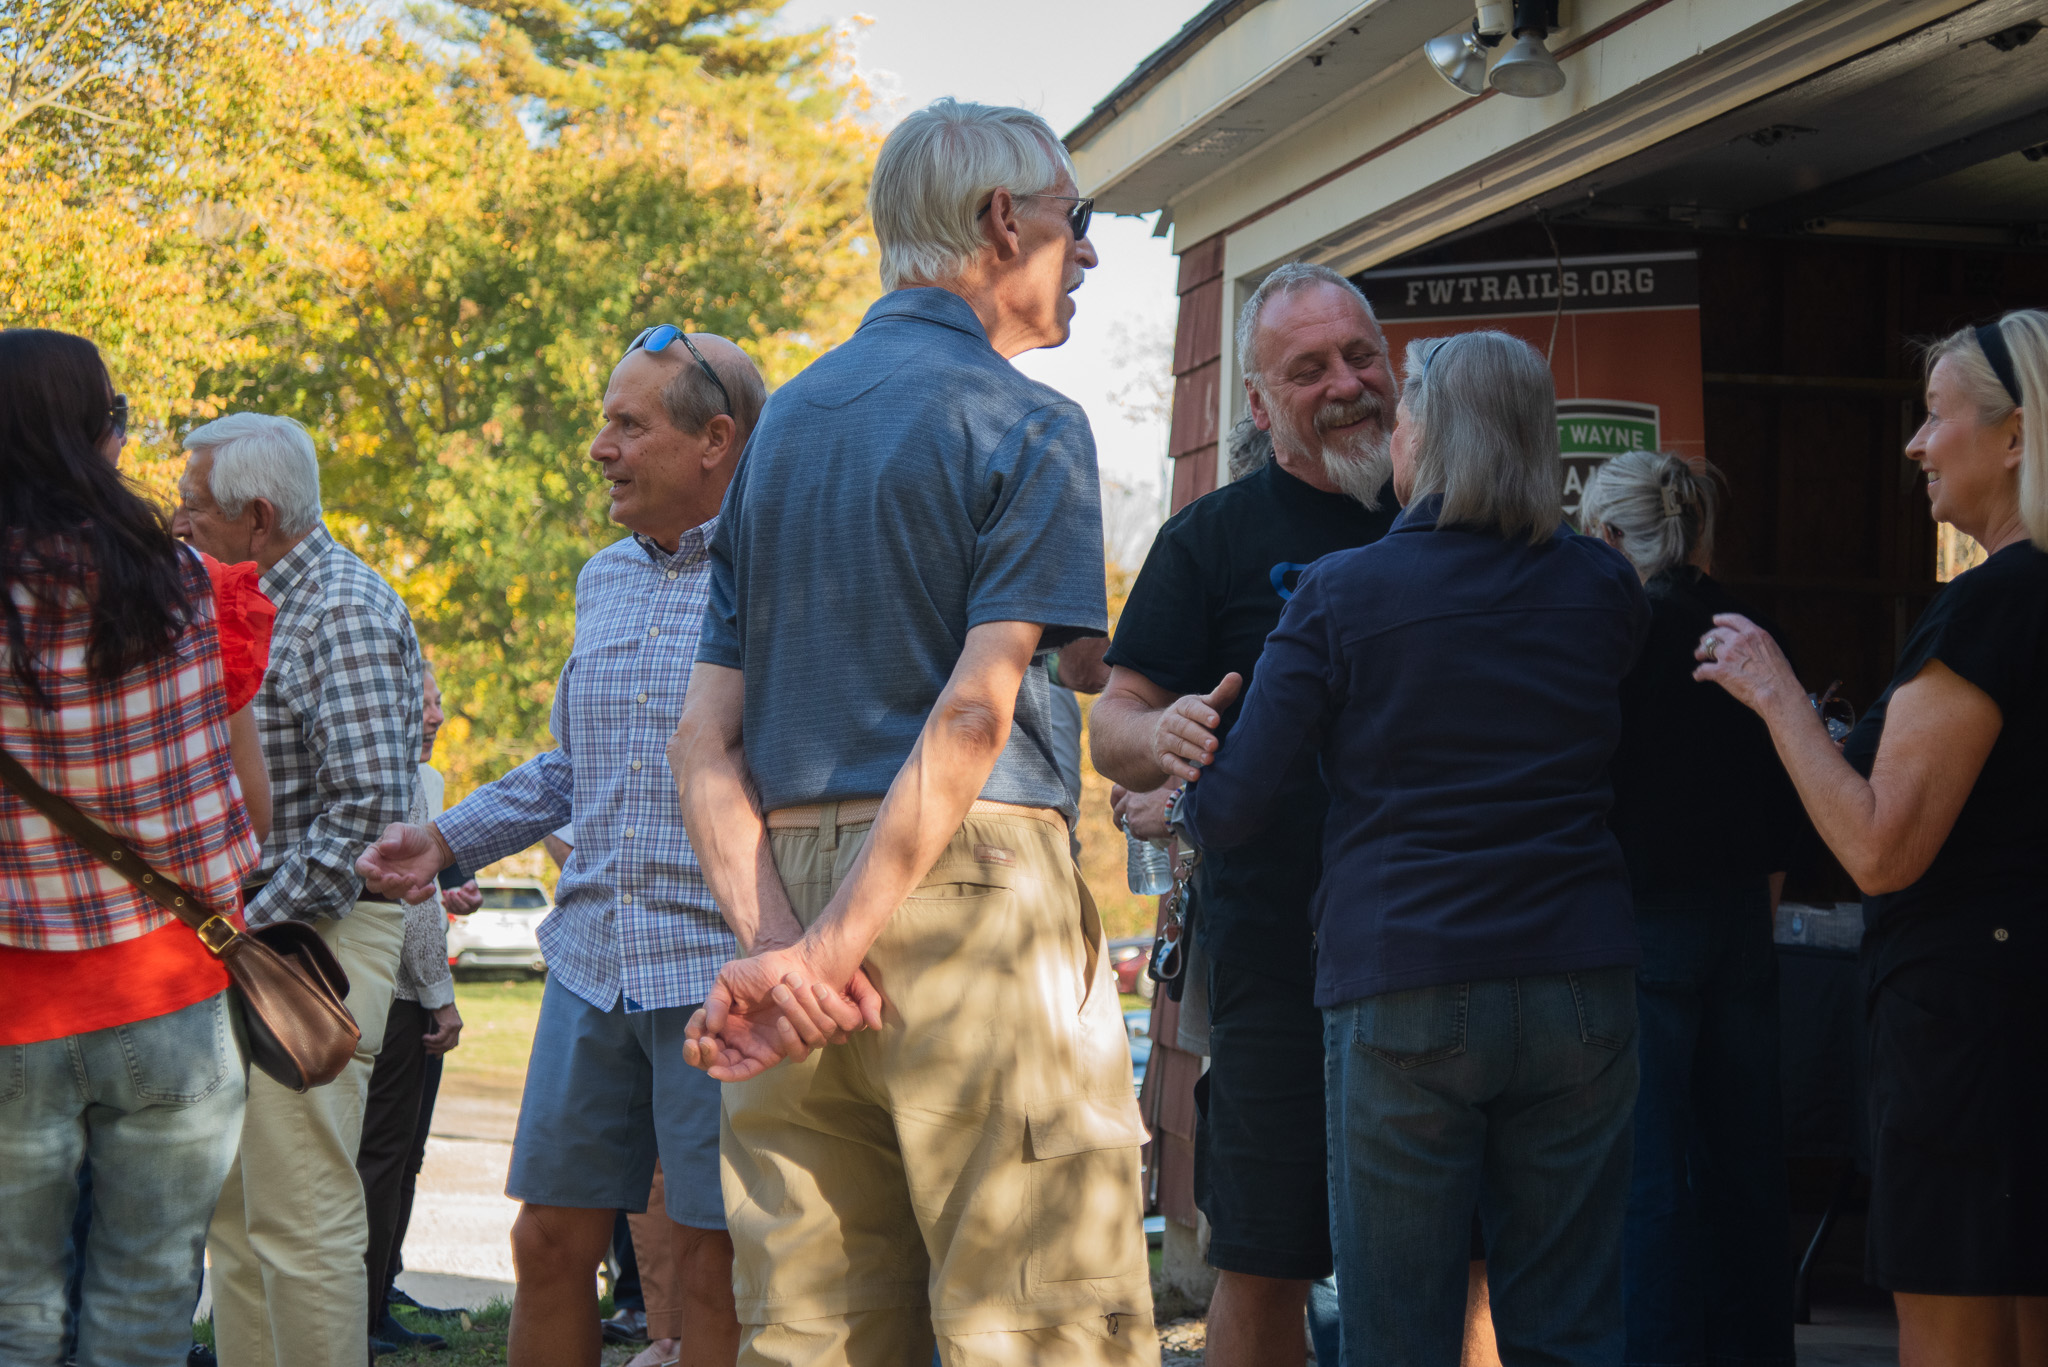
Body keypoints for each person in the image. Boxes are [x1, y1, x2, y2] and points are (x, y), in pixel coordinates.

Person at [670, 97, 1156, 1365]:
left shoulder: (778, 434)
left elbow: (699, 743)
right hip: (966, 886)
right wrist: (824, 952)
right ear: (1001, 222)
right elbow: (975, 707)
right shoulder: (1026, 421)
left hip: (784, 889)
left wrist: (782, 956)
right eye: (1072, 217)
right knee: (1037, 1323)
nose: (1086, 249)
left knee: (811, 1329)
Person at [1177, 330, 1648, 1366]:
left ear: (1424, 436)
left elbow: (1237, 803)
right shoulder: (1604, 586)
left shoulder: (1341, 591)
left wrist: (1182, 798)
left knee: (1398, 1332)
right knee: (1571, 1326)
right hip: (1581, 979)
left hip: (1404, 977)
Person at [356, 325, 768, 1367]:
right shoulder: (604, 577)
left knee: (713, 1261)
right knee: (546, 1241)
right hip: (591, 961)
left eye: (628, 424)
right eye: (604, 421)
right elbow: (575, 766)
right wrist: (442, 838)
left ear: (715, 439)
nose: (600, 447)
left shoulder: (781, 574)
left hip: (720, 968)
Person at [1695, 310, 2048, 1367]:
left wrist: (1775, 695)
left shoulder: (1992, 605)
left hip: (1970, 1036)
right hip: (2016, 1013)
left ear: (2015, 435)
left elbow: (1880, 847)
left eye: (1935, 416)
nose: (1913, 443)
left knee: (1956, 1334)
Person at [1090, 262, 1398, 1367]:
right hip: (1275, 958)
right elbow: (1113, 720)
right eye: (1309, 369)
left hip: (1445, 950)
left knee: (1459, 1260)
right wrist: (1164, 730)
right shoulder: (1211, 537)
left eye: (1361, 356)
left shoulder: (1452, 514)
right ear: (1260, 406)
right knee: (1264, 1257)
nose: (1347, 384)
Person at [0, 329, 272, 1367]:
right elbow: (250, 801)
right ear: (98, 434)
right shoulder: (188, 582)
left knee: (13, 1310)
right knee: (147, 1298)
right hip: (172, 989)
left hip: (11, 1001)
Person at [174, 411, 426, 1367]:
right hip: (253, 934)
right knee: (236, 1217)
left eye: (194, 507)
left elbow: (366, 812)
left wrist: (240, 924)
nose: (179, 523)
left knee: (301, 1207)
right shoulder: (237, 601)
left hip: (319, 935)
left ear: (259, 516)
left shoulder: (339, 608)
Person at [1579, 451, 1803, 1367]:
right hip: (1743, 919)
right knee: (1746, 1166)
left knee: (1647, 1175)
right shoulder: (1752, 630)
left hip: (1641, 926)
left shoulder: (1616, 635)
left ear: (1607, 535)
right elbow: (1789, 799)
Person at [359, 662, 480, 1356]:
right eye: (422, 701)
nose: (435, 715)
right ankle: (362, 1313)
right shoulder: (395, 776)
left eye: (438, 701)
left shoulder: (424, 778)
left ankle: (380, 1296)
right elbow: (414, 910)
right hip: (396, 996)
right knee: (384, 1156)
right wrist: (442, 999)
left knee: (402, 1155)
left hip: (401, 994)